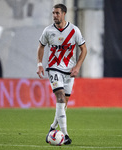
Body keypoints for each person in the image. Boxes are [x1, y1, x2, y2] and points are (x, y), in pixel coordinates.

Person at [36, 4, 87, 145]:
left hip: (69, 71)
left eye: (57, 13)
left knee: (64, 103)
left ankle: (52, 127)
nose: (55, 16)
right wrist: (40, 64)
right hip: (54, 68)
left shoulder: (74, 30)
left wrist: (77, 66)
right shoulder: (48, 31)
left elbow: (84, 49)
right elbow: (41, 46)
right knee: (59, 96)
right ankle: (65, 135)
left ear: (64, 14)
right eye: (53, 13)